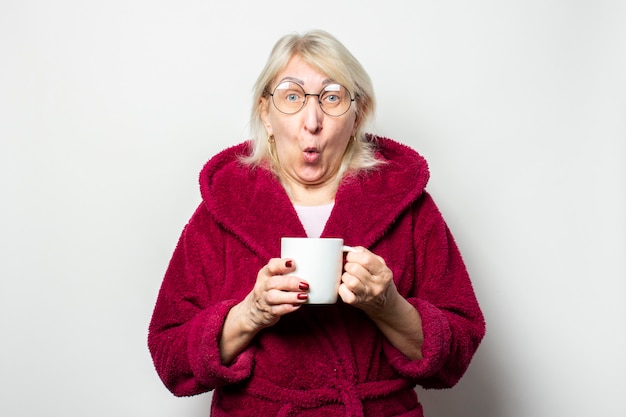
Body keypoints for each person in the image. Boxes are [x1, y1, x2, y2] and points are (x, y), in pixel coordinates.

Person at [148, 29, 485, 416]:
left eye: (332, 98)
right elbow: (169, 356)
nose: (313, 120)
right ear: (266, 114)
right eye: (292, 96)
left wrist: (387, 305)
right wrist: (250, 313)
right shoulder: (224, 208)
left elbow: (459, 349)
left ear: (357, 115)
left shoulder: (407, 207)